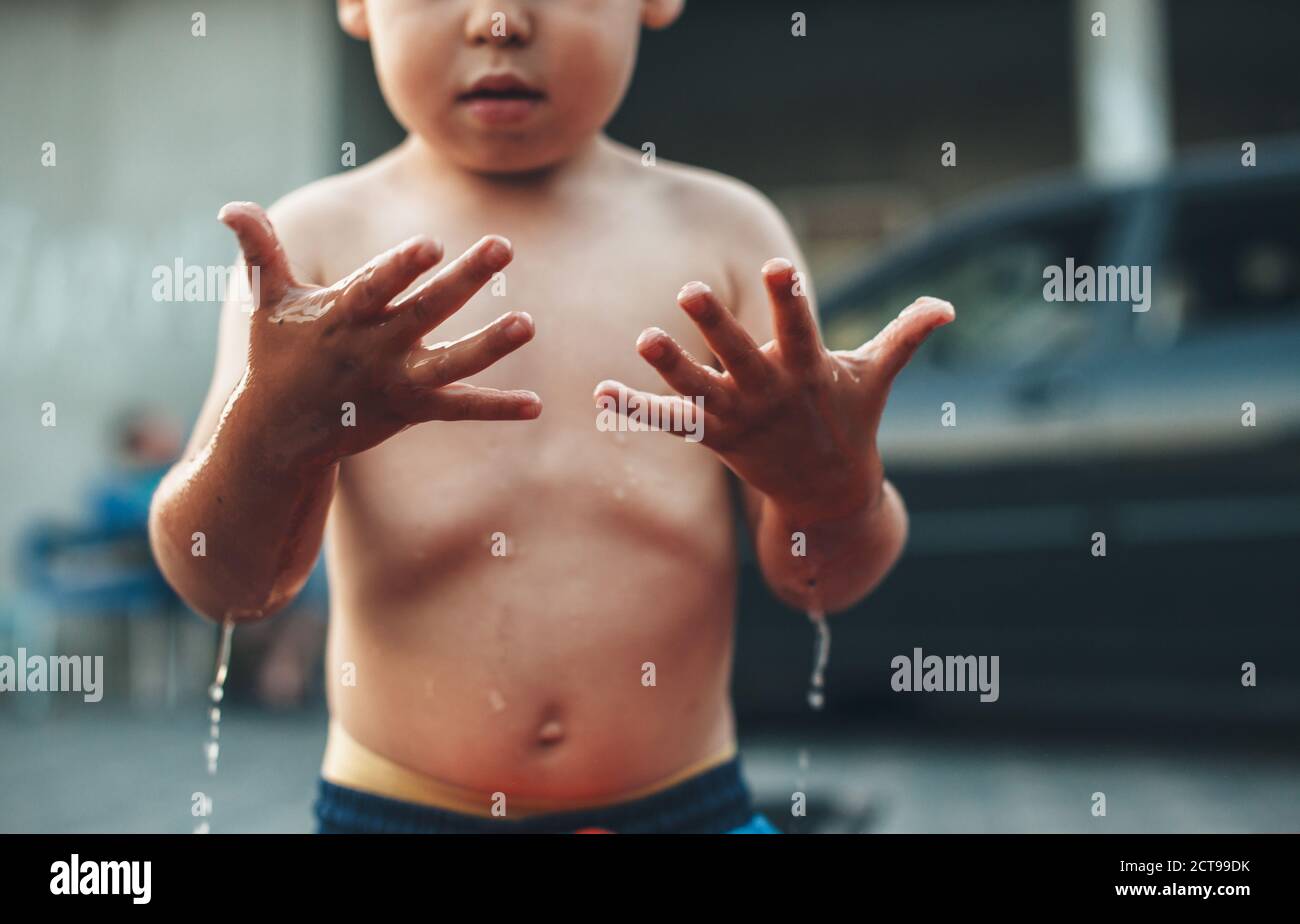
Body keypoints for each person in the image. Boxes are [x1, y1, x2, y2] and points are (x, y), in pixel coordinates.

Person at [148, 0, 954, 833]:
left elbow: (820, 581)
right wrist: (267, 439)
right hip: (395, 811)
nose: (499, 21)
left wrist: (832, 490)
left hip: (686, 809)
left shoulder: (727, 234)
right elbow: (227, 586)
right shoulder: (310, 254)